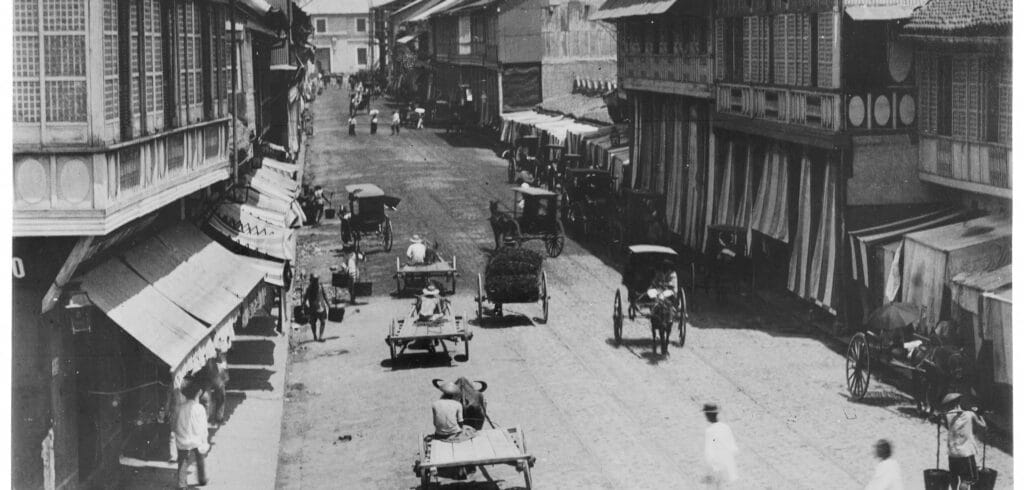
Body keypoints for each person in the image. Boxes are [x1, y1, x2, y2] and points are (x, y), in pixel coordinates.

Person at [942, 393, 987, 490]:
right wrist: (981, 416)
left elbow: (948, 427)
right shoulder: (969, 414)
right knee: (966, 479)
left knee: (954, 477)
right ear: (959, 402)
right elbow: (983, 426)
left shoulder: (947, 416)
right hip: (966, 453)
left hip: (952, 453)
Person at [174, 381, 209, 489]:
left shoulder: (180, 408)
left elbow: (177, 424)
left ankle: (182, 485)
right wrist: (204, 440)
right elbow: (203, 427)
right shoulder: (200, 408)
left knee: (182, 461)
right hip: (196, 439)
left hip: (183, 439)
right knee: (200, 459)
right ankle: (202, 479)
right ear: (198, 393)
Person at [703, 402, 738, 489]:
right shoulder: (726, 428)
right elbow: (733, 449)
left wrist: (709, 474)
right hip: (729, 471)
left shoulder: (710, 431)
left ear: (708, 415)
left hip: (717, 471)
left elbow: (709, 454)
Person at [205, 351, 229, 427]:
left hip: (213, 373)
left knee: (210, 397)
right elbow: (222, 366)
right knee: (219, 396)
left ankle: (212, 417)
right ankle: (217, 417)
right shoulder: (218, 354)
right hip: (215, 373)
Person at [303, 274, 328, 342]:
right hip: (320, 308)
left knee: (313, 323)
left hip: (313, 309)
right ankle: (319, 337)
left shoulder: (309, 288)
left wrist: (303, 307)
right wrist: (328, 304)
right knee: (322, 322)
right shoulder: (320, 286)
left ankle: (315, 336)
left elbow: (305, 299)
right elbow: (325, 295)